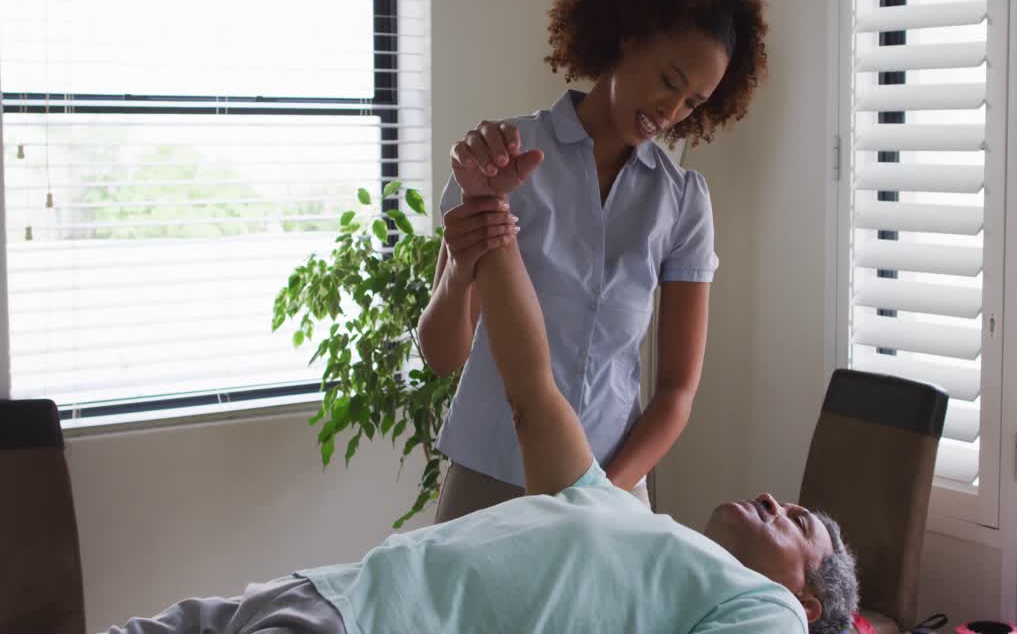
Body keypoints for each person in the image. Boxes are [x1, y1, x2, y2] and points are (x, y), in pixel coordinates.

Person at [106, 166, 859, 634]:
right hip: (320, 593)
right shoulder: (614, 506)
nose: (773, 497)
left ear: (809, 599)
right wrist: (490, 213)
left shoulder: (768, 610)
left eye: (799, 523)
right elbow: (531, 390)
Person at [418, 0, 769, 521]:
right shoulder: (504, 157)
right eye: (668, 79)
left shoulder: (682, 201)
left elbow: (678, 391)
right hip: (488, 480)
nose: (671, 111)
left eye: (693, 102)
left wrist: (602, 491)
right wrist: (458, 271)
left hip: (611, 488)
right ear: (630, 35)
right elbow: (441, 355)